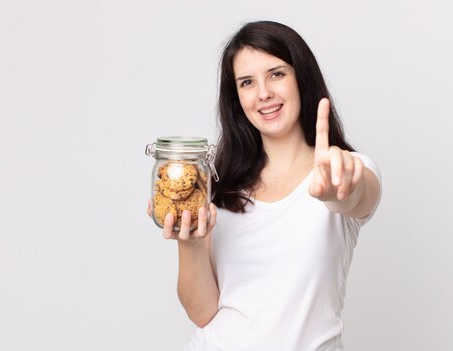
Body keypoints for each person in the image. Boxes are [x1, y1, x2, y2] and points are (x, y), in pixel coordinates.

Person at [148, 20, 381, 350]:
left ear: (302, 76)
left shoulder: (347, 169)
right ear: (237, 99)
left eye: (276, 73)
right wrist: (190, 243)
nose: (263, 93)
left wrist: (340, 191)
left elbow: (357, 195)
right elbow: (203, 313)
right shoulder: (220, 184)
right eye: (246, 82)